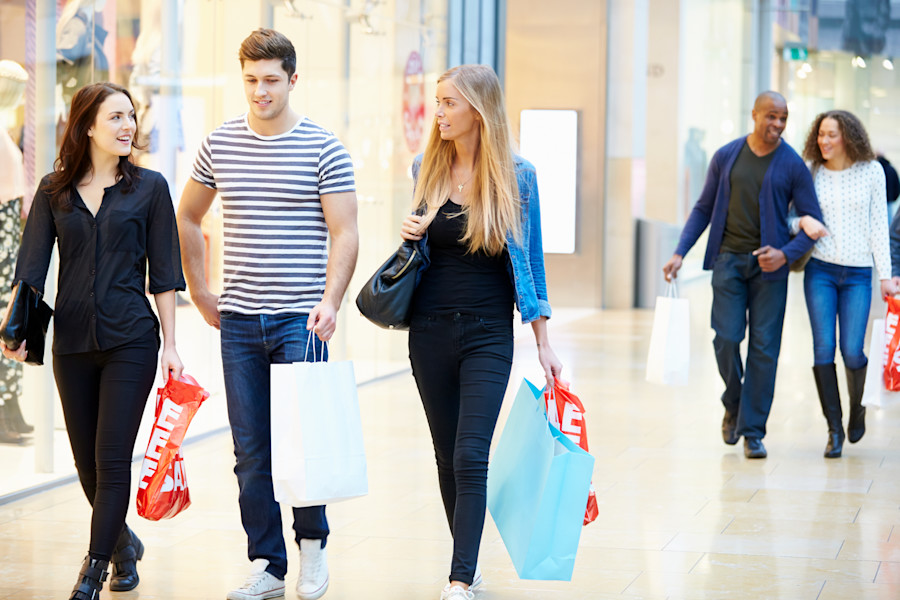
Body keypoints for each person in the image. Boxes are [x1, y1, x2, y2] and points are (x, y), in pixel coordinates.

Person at [176, 28, 358, 600]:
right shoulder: (220, 144)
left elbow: (346, 231)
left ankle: (312, 550)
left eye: (271, 81)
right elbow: (187, 216)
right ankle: (267, 564)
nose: (260, 91)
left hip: (300, 321)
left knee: (304, 443)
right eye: (251, 80)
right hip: (238, 322)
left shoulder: (323, 147)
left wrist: (330, 301)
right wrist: (200, 291)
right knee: (250, 450)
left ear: (292, 80)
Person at [1, 82, 185, 599]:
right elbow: (30, 269)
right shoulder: (53, 191)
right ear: (88, 126)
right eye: (116, 117)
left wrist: (170, 345)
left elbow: (165, 273)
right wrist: (13, 329)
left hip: (132, 339)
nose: (128, 126)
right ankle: (125, 548)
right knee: (86, 465)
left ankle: (93, 569)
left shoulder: (150, 188)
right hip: (73, 342)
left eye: (131, 116)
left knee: (110, 460)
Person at [399, 64, 562, 600]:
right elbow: (417, 253)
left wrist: (543, 342)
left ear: (477, 109)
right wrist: (413, 233)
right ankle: (465, 558)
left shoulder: (519, 176)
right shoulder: (425, 167)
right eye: (438, 102)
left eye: (448, 102)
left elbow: (530, 262)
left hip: (489, 333)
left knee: (472, 452)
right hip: (427, 331)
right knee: (446, 454)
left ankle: (459, 577)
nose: (439, 112)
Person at [662, 91, 822, 459]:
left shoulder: (792, 165)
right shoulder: (726, 156)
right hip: (728, 262)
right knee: (726, 339)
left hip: (770, 270)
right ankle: (733, 401)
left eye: (783, 118)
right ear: (754, 115)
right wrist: (679, 252)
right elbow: (703, 208)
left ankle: (752, 431)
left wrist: (784, 254)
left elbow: (815, 224)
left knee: (765, 350)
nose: (778, 124)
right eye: (771, 116)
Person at [794, 111, 894, 458]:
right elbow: (790, 216)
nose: (824, 141)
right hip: (819, 270)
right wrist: (802, 222)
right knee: (823, 348)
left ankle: (858, 407)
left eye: (831, 135)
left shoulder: (872, 172)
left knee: (852, 350)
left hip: (856, 274)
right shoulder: (812, 172)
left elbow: (879, 225)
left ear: (848, 137)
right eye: (820, 134)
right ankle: (833, 428)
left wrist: (885, 275)